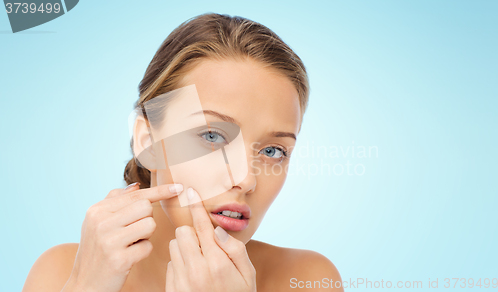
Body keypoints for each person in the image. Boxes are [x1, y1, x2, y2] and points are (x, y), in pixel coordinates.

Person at [22, 13, 343, 292]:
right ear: (147, 141)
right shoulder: (60, 275)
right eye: (212, 135)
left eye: (273, 150)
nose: (246, 179)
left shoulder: (306, 279)